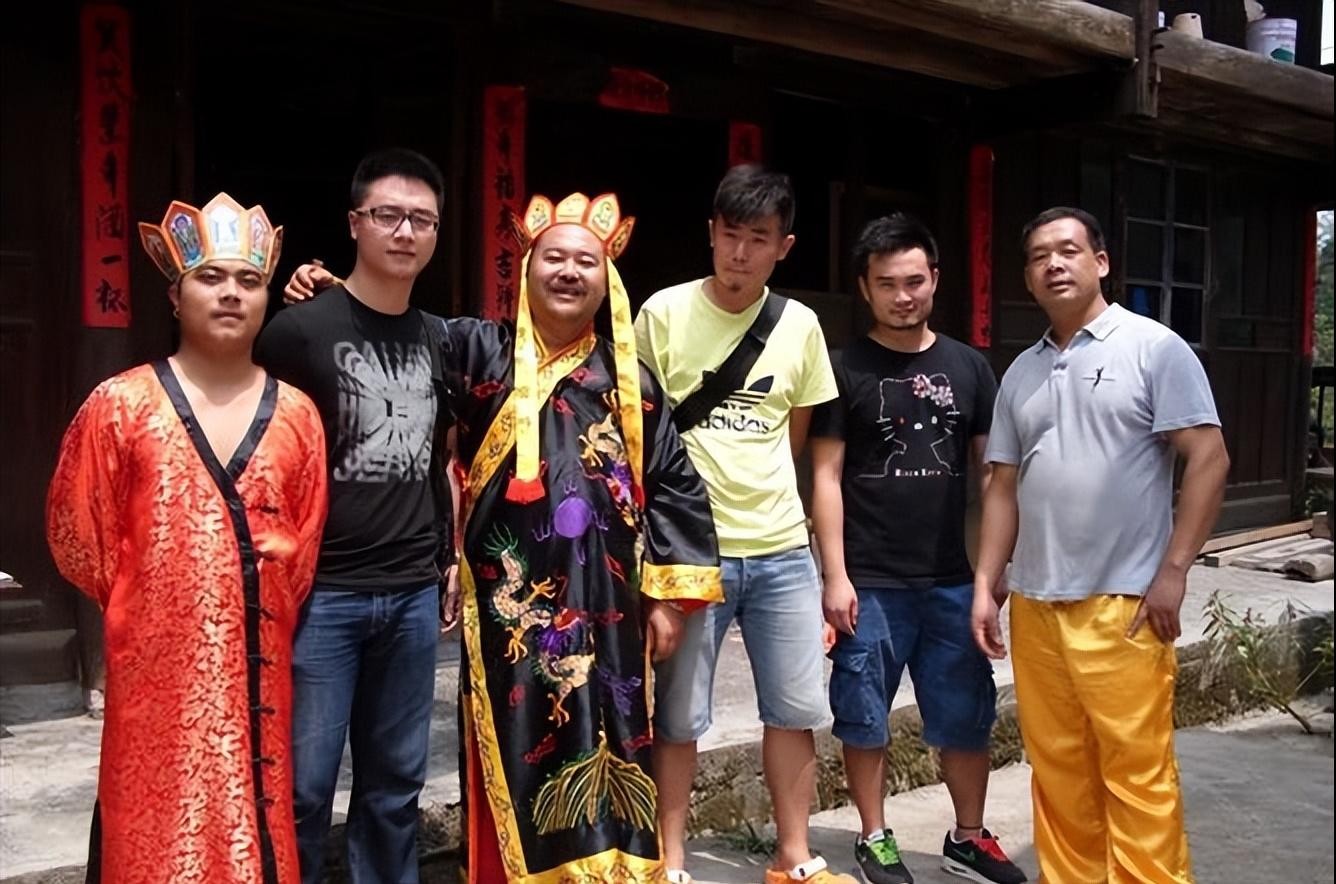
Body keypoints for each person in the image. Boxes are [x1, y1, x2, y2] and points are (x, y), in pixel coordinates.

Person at [291, 190, 723, 882]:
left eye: (585, 262)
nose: (568, 272)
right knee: (514, 743)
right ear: (526, 269)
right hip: (507, 615)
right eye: (553, 258)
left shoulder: (630, 382)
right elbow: (392, 328)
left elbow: (675, 485)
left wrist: (669, 597)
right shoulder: (475, 351)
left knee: (612, 741)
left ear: (607, 280)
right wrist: (337, 294)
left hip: (608, 610)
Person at [47, 193, 327, 883]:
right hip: (153, 676)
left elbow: (305, 543)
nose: (231, 293)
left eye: (249, 280)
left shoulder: (298, 415)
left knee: (255, 824)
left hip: (257, 670)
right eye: (211, 278)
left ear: (267, 297)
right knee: (152, 832)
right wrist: (153, 600)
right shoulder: (121, 405)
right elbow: (78, 535)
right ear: (175, 296)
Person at [971, 207, 1230, 884]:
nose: (1053, 264)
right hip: (1036, 603)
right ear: (1027, 276)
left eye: (1068, 250)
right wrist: (986, 583)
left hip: (1125, 602)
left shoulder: (1153, 348)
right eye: (1038, 256)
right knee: (1057, 771)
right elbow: (1002, 485)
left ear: (1101, 262)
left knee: (1136, 773)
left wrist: (1174, 570)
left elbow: (1209, 458)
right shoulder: (1021, 372)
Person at [636, 165, 855, 884]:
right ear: (710, 233)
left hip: (782, 551)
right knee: (677, 718)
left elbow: (798, 445)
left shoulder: (801, 326)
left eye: (758, 239)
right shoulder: (661, 314)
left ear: (783, 246)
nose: (739, 253)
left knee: (794, 711)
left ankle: (793, 855)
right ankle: (670, 860)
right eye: (729, 234)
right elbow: (637, 434)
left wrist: (828, 567)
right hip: (689, 555)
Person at [254, 148, 455, 883]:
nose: (405, 232)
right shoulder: (298, 332)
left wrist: (448, 556)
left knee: (395, 786)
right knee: (303, 787)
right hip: (322, 594)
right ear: (354, 223)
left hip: (411, 591)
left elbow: (441, 457)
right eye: (387, 215)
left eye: (421, 220)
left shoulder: (439, 338)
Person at [811, 214, 1026, 884]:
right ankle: (874, 836)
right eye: (886, 284)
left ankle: (969, 838)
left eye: (913, 281)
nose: (902, 296)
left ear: (935, 278)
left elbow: (994, 478)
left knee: (966, 714)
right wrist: (835, 575)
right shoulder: (842, 369)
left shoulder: (969, 367)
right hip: (870, 580)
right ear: (864, 288)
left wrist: (993, 570)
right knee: (863, 714)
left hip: (953, 579)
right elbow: (825, 477)